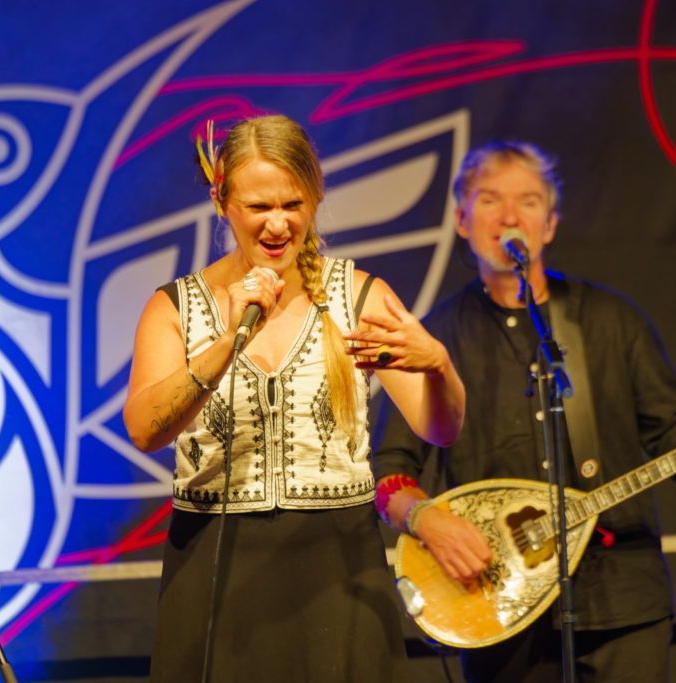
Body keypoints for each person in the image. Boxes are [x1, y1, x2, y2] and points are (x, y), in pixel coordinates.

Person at [371, 141, 676, 682]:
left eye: (528, 202)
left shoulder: (611, 322)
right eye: (489, 201)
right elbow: (390, 472)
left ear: (548, 225)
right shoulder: (434, 337)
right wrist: (426, 519)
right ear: (460, 219)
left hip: (622, 597)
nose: (509, 217)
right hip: (494, 602)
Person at [122, 114, 465, 682]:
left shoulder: (356, 295)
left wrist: (440, 368)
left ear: (315, 197)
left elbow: (441, 428)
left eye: (293, 204)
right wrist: (228, 342)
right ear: (221, 200)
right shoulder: (176, 307)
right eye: (259, 207)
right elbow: (145, 428)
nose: (279, 224)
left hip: (335, 566)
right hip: (216, 566)